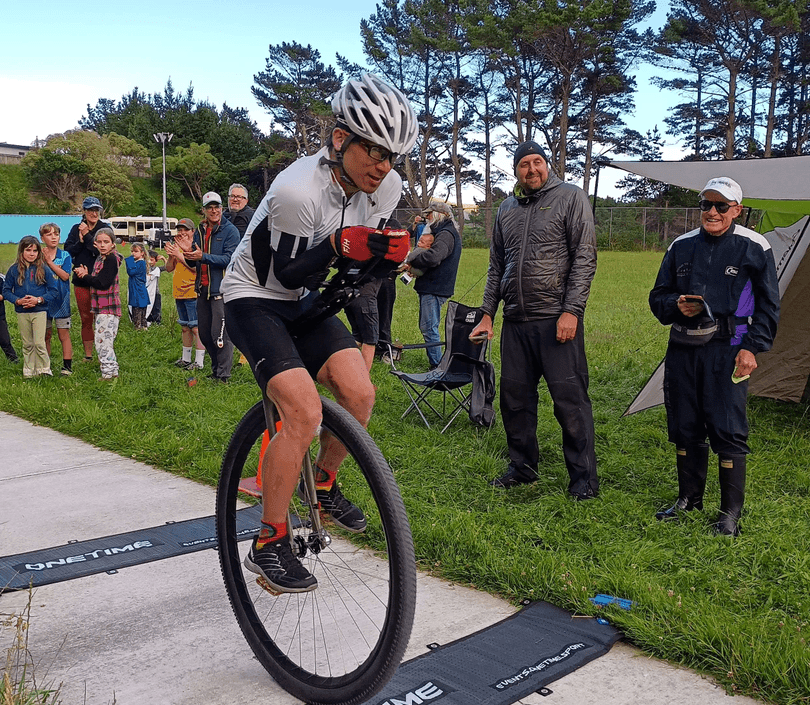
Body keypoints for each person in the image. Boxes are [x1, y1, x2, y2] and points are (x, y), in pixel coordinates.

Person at [220, 74, 417, 592]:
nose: (383, 165)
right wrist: (338, 247)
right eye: (374, 149)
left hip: (303, 298)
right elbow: (284, 274)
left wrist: (384, 260)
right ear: (339, 139)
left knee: (360, 392)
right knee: (303, 413)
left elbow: (357, 266)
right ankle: (269, 540)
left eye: (392, 155)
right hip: (254, 296)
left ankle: (325, 481)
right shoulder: (295, 191)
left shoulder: (387, 188)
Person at [649, 177, 780, 536]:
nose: (712, 212)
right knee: (684, 424)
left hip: (730, 349)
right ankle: (688, 500)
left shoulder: (754, 246)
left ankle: (729, 514)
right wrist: (675, 306)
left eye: (722, 206)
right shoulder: (681, 245)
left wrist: (752, 347)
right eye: (707, 204)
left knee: (727, 427)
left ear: (737, 210)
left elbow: (770, 305)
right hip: (683, 347)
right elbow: (657, 298)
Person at [470, 140, 600, 501]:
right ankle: (522, 467)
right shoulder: (506, 209)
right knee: (515, 401)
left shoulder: (571, 197)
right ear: (516, 171)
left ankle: (583, 480)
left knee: (569, 401)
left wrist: (571, 311)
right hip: (516, 322)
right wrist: (486, 314)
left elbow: (584, 258)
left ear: (549, 165)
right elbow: (497, 266)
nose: (532, 170)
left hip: (556, 320)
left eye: (537, 162)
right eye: (524, 164)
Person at [186, 191, 241, 382]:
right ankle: (215, 369)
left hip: (221, 291)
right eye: (209, 207)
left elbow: (229, 259)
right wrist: (186, 254)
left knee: (220, 336)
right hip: (203, 289)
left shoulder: (230, 231)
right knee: (205, 334)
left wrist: (203, 257)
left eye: (217, 206)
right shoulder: (199, 231)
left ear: (221, 208)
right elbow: (194, 261)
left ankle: (223, 375)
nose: (214, 210)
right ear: (203, 210)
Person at [402, 200, 462, 368]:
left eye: (429, 214)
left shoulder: (445, 233)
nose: (426, 217)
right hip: (435, 286)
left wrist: (411, 261)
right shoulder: (446, 231)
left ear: (438, 215)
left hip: (435, 287)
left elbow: (434, 257)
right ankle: (439, 363)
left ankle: (438, 366)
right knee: (429, 326)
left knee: (429, 327)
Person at [3, 236, 61, 378]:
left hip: (39, 311)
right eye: (28, 250)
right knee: (27, 343)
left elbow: (53, 290)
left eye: (35, 250)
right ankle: (29, 370)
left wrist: (39, 300)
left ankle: (44, 369)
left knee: (39, 342)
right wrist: (17, 301)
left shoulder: (44, 269)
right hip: (22, 312)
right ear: (21, 251)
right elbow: (5, 290)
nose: (31, 253)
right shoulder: (13, 270)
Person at [65, 197, 113, 362]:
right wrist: (81, 242)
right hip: (81, 280)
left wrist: (85, 235)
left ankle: (104, 354)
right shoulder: (75, 228)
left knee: (102, 318)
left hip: (100, 279)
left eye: (96, 210)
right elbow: (69, 251)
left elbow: (99, 250)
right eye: (90, 210)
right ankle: (88, 354)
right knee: (86, 318)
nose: (94, 213)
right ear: (84, 211)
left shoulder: (104, 228)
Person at [74, 229, 124, 380]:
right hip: (101, 307)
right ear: (95, 243)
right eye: (100, 242)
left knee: (103, 342)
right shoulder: (101, 258)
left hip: (108, 308)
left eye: (106, 242)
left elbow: (102, 283)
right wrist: (88, 274)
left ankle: (109, 373)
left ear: (113, 244)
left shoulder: (111, 259)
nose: (103, 245)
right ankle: (111, 370)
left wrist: (85, 276)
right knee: (103, 340)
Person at [164, 219, 205, 369]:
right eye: (179, 230)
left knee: (196, 327)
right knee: (184, 327)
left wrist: (179, 255)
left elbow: (196, 268)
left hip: (192, 292)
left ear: (193, 231)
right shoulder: (177, 247)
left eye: (185, 230)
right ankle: (186, 358)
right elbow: (169, 269)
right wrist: (171, 256)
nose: (182, 233)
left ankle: (199, 361)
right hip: (178, 292)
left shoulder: (195, 247)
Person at [40, 222, 76, 375]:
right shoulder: (38, 256)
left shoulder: (65, 255)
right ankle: (45, 366)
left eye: (56, 234)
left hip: (62, 301)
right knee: (45, 334)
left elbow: (65, 275)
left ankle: (67, 366)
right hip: (44, 301)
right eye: (49, 234)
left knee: (63, 334)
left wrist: (50, 263)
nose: (53, 237)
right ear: (42, 238)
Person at [125, 242, 150, 330]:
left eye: (136, 251)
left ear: (142, 253)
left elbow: (131, 272)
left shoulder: (140, 263)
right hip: (137, 288)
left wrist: (129, 261)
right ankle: (143, 325)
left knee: (137, 307)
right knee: (140, 307)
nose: (133, 253)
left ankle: (139, 326)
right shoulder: (140, 263)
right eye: (132, 251)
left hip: (137, 289)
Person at [145, 249, 162, 326]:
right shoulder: (143, 268)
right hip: (146, 292)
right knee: (147, 307)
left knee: (156, 308)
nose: (149, 262)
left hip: (155, 292)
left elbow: (166, 267)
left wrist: (164, 259)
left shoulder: (157, 269)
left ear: (156, 261)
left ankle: (157, 321)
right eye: (148, 260)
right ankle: (147, 319)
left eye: (151, 260)